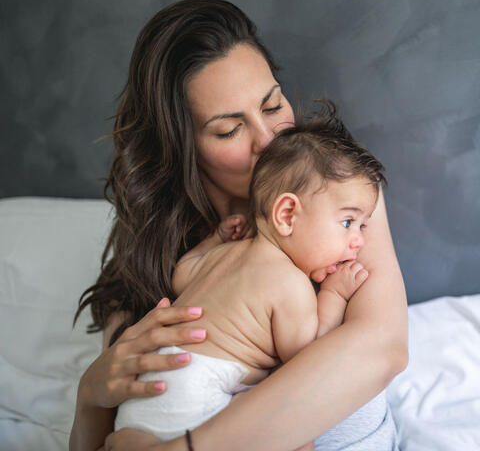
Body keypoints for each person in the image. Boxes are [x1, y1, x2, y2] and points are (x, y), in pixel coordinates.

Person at [70, 0, 408, 451]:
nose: (270, 141)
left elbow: (382, 349)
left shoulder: (337, 189)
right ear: (182, 146)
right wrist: (90, 398)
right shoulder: (162, 254)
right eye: (229, 130)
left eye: (272, 105)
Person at [113, 115, 386, 451]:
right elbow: (307, 360)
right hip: (194, 404)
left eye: (362, 226)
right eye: (348, 222)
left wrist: (214, 239)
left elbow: (182, 273)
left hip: (146, 397)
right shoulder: (290, 285)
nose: (358, 241)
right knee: (298, 433)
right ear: (287, 215)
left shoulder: (226, 254)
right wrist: (334, 294)